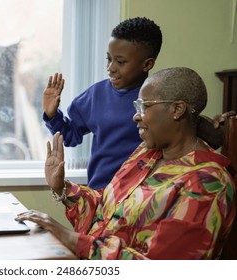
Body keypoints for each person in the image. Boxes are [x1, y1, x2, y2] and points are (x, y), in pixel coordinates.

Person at [18, 67, 236, 260]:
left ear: (177, 110)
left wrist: (68, 237)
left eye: (144, 106)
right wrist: (62, 187)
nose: (136, 116)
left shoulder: (208, 182)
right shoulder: (146, 153)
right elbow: (105, 210)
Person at [43, 17, 234, 190]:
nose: (111, 68)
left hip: (145, 196)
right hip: (101, 193)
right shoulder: (95, 96)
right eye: (109, 59)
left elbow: (197, 134)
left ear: (147, 64)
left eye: (120, 62)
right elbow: (70, 136)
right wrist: (52, 115)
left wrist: (221, 127)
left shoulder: (162, 99)